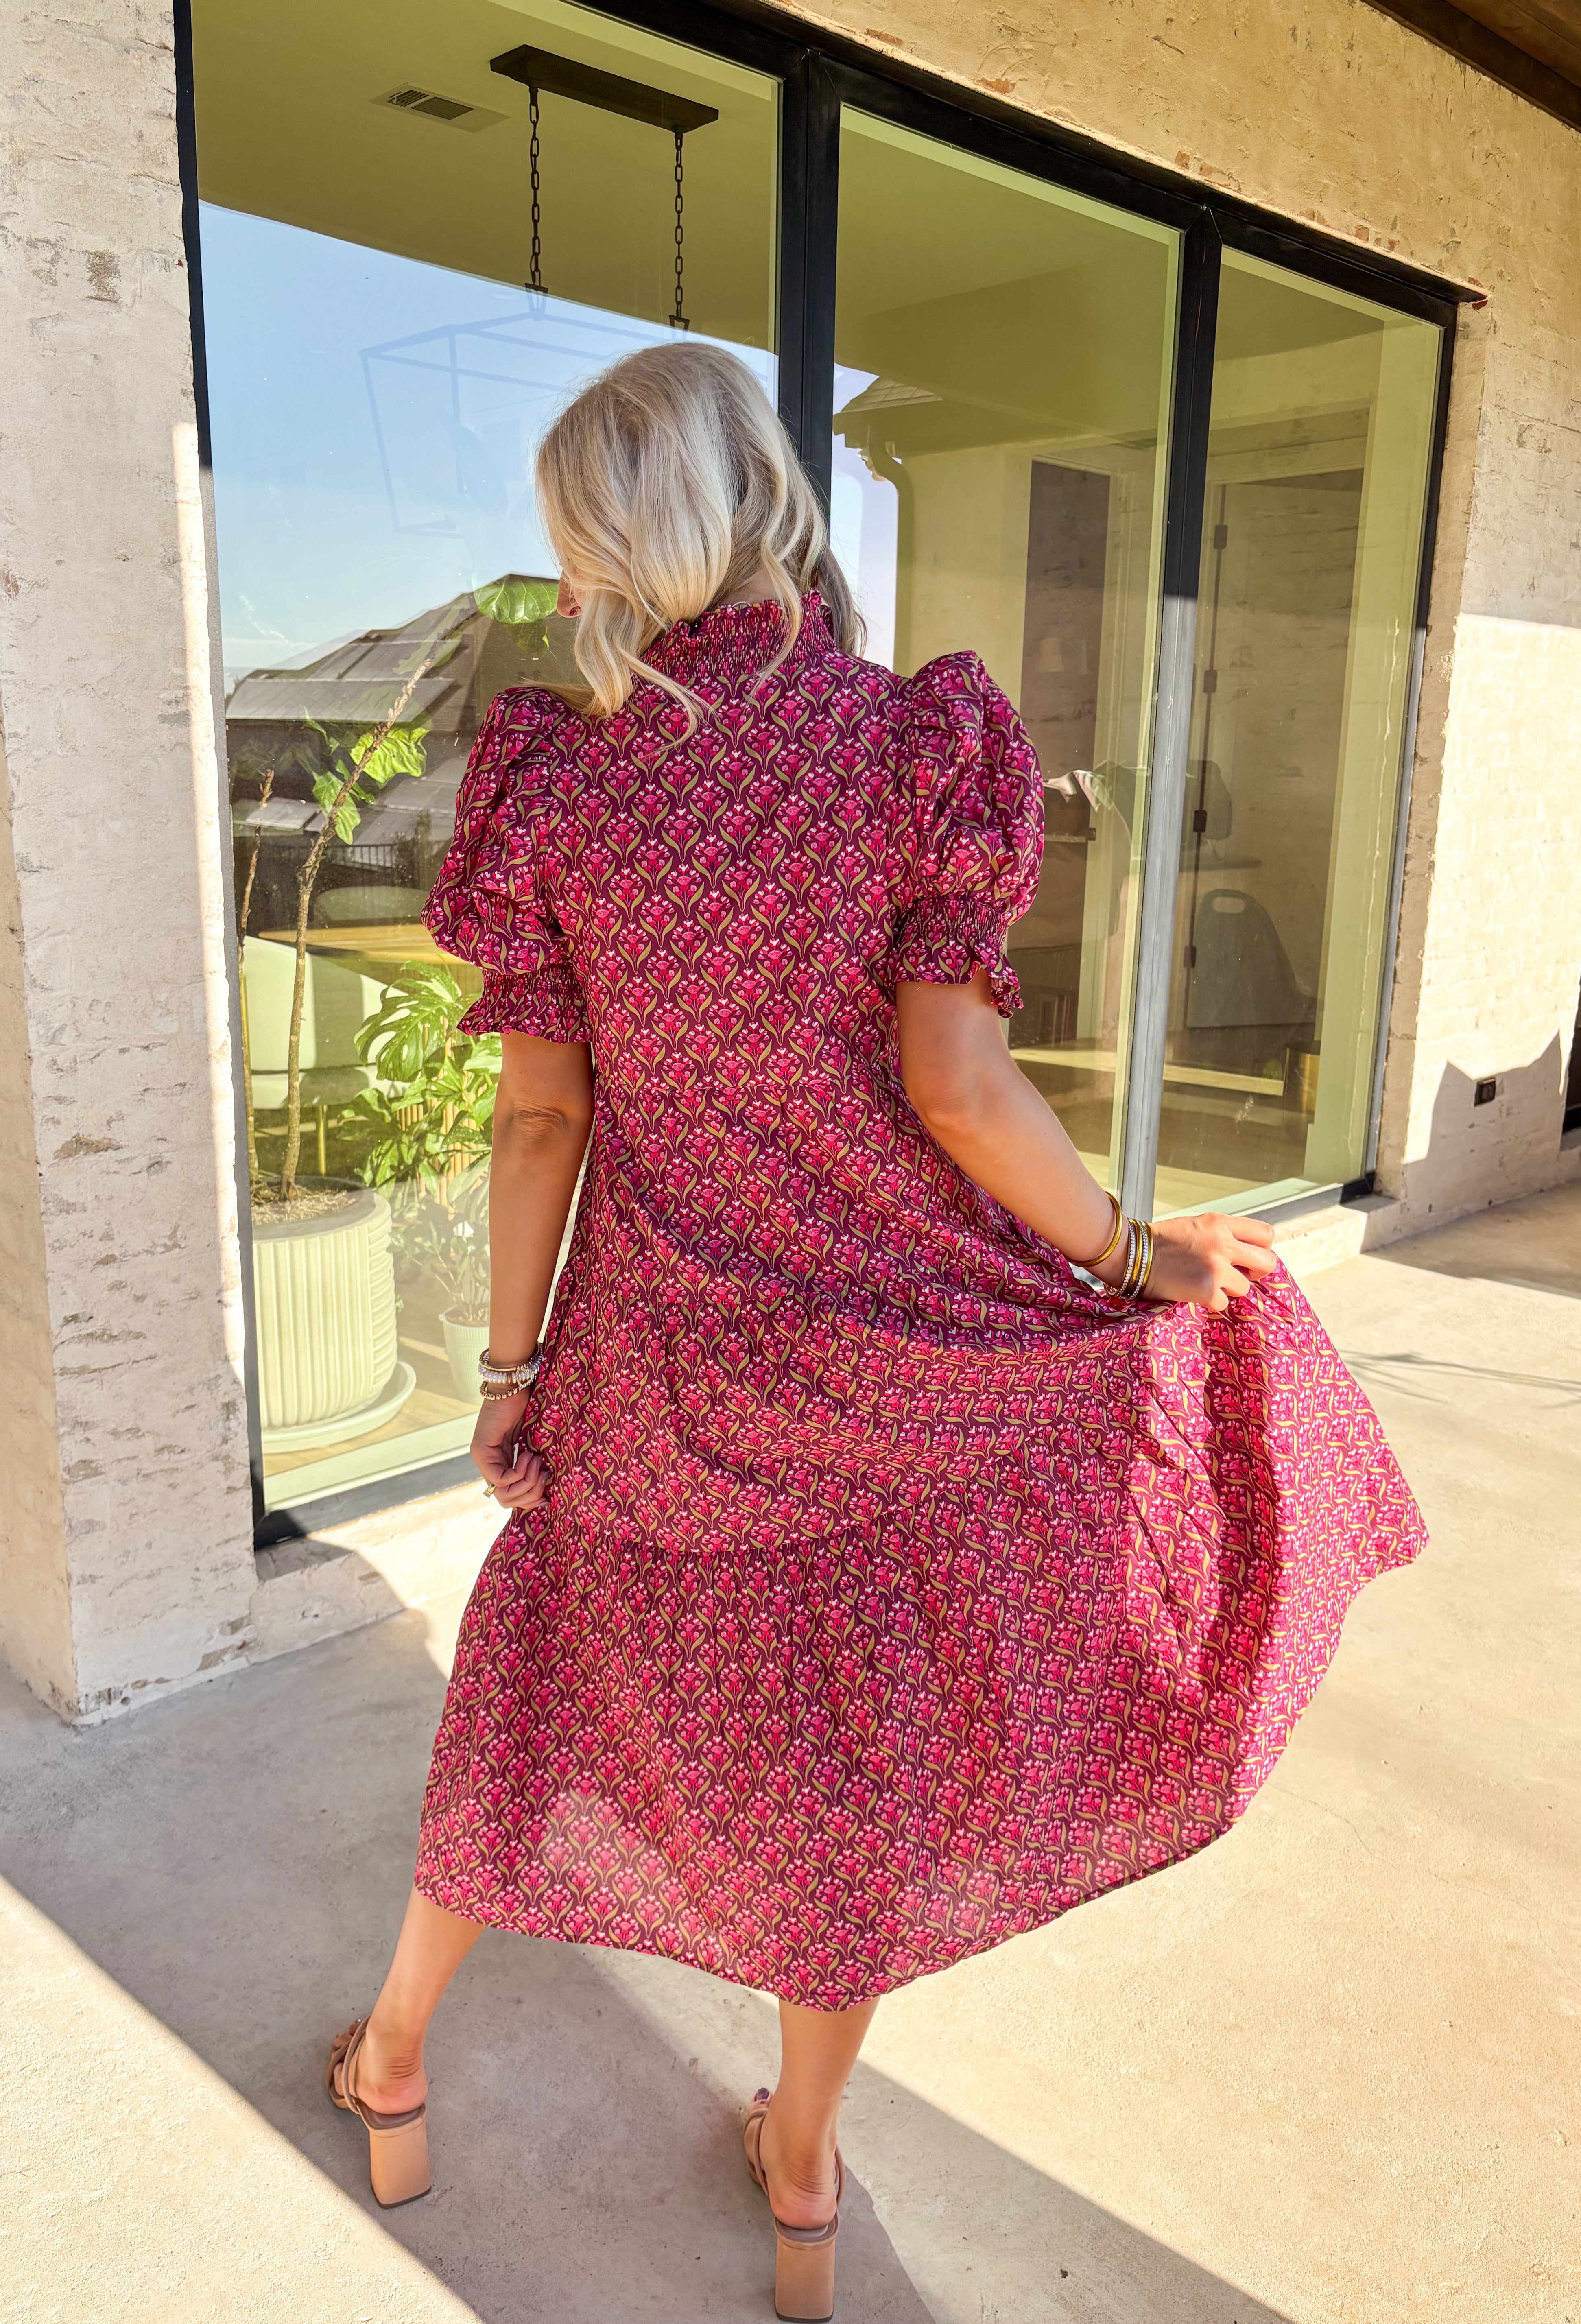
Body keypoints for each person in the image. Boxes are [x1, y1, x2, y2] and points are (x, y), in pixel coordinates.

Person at [326, 343, 1424, 2320]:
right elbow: (958, 1087)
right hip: (900, 1362)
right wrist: (1131, 1256)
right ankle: (807, 2170)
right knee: (851, 1778)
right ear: (766, 496)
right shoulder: (918, 742)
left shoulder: (558, 784)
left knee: (539, 1701)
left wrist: (504, 1373)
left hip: (660, 1376)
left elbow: (543, 1122)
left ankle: (396, 2061)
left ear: (604, 546)